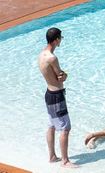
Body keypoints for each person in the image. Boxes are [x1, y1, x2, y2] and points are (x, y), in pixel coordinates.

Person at [38, 27, 78, 168]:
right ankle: (65, 161)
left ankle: (52, 156)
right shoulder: (52, 58)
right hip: (57, 96)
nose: (61, 41)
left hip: (49, 94)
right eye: (60, 38)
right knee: (65, 128)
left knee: (51, 126)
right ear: (56, 40)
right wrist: (65, 75)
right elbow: (60, 77)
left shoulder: (42, 54)